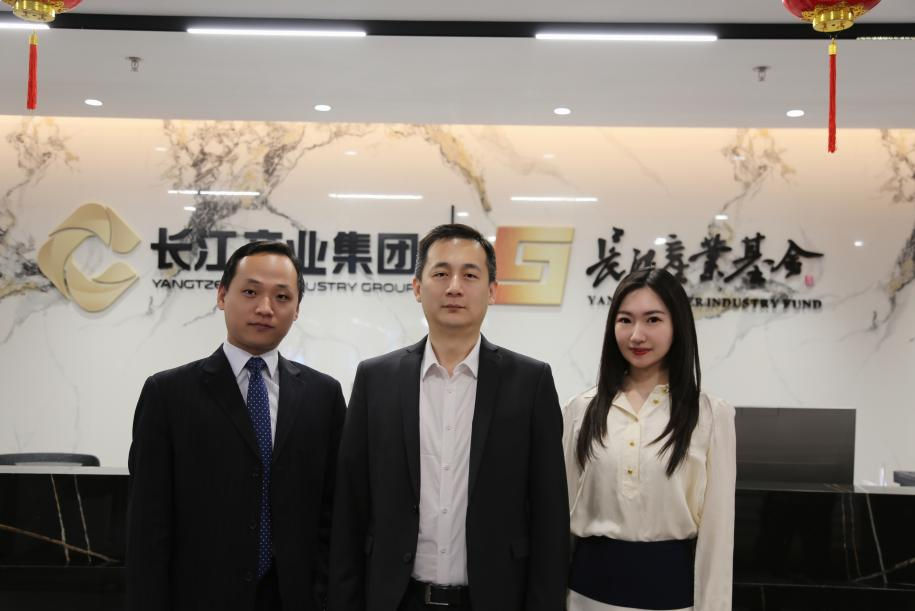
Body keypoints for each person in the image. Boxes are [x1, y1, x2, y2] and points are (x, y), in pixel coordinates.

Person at [328, 223, 569, 611]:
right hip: (396, 600)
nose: (454, 287)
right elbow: (350, 508)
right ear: (417, 287)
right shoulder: (375, 379)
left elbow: (549, 516)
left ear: (492, 290)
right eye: (441, 273)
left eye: (470, 275)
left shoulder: (530, 383)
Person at [127, 240, 346, 611]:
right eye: (250, 292)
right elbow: (148, 524)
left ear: (296, 310)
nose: (265, 308)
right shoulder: (168, 394)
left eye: (282, 297)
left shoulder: (324, 395)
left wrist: (322, 589)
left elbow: (336, 511)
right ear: (222, 295)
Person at [562, 268, 735, 611]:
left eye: (653, 320)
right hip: (585, 596)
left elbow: (718, 534)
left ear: (677, 325)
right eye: (625, 320)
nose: (636, 335)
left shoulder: (711, 415)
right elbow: (558, 520)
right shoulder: (580, 409)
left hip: (671, 596)